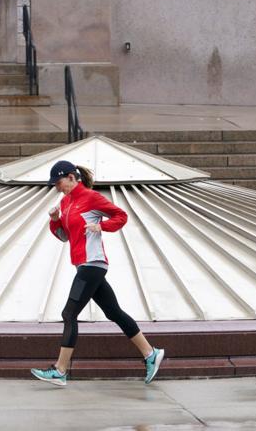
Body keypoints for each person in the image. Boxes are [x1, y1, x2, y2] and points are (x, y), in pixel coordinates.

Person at [30, 160, 163, 386]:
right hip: (84, 265)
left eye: (59, 182)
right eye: (55, 185)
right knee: (114, 312)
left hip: (93, 264)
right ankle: (151, 353)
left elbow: (121, 216)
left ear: (71, 177)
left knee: (69, 314)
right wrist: (54, 221)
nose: (57, 188)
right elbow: (64, 237)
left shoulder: (91, 198)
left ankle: (60, 370)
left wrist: (102, 226)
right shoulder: (66, 202)